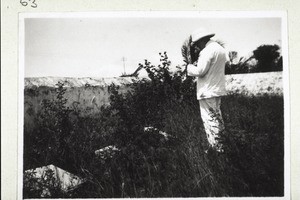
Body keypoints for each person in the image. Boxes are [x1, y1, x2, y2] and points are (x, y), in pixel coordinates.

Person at [186, 28, 227, 152]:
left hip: (207, 90)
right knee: (217, 117)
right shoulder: (220, 49)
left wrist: (189, 67)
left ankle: (216, 148)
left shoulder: (207, 51)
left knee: (209, 119)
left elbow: (200, 71)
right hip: (217, 88)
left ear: (202, 40)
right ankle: (221, 144)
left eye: (197, 43)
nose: (197, 46)